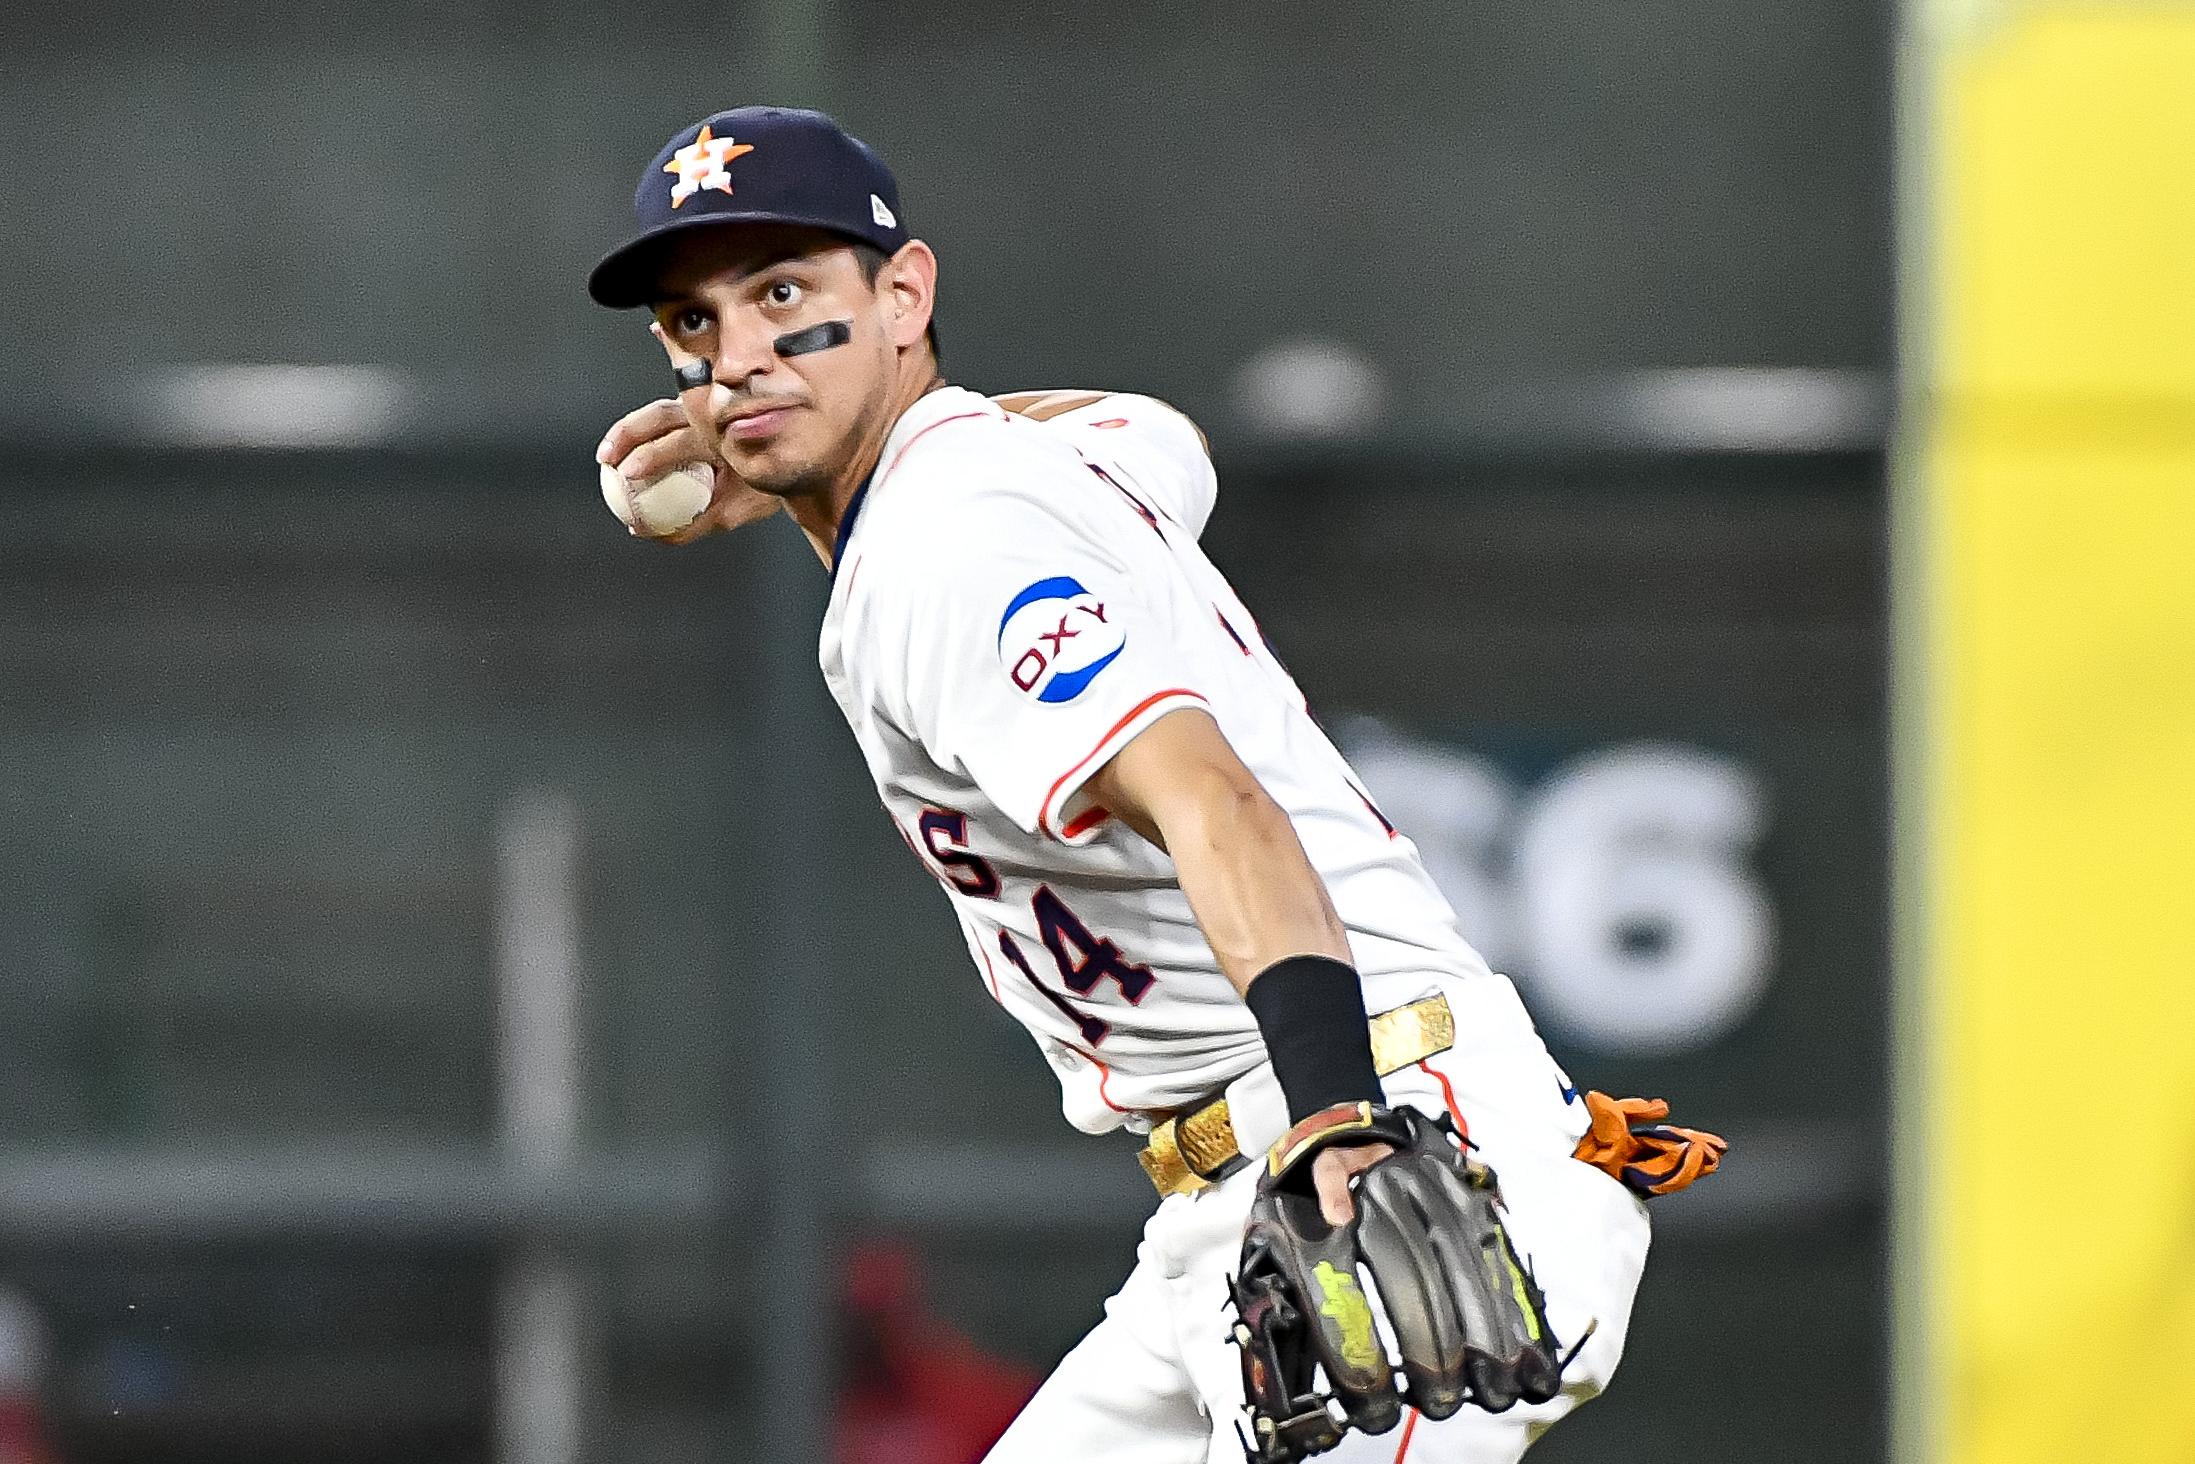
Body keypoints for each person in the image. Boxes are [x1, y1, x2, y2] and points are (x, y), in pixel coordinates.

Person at [589, 106, 1718, 1464]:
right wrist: (781, 464)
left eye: (784, 295)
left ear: (905, 294)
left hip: (1375, 1140)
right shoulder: (1021, 465)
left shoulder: (947, 549)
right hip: (1233, 1201)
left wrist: (1336, 1122)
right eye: (692, 324)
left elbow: (1207, 799)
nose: (738, 355)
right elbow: (1161, 433)